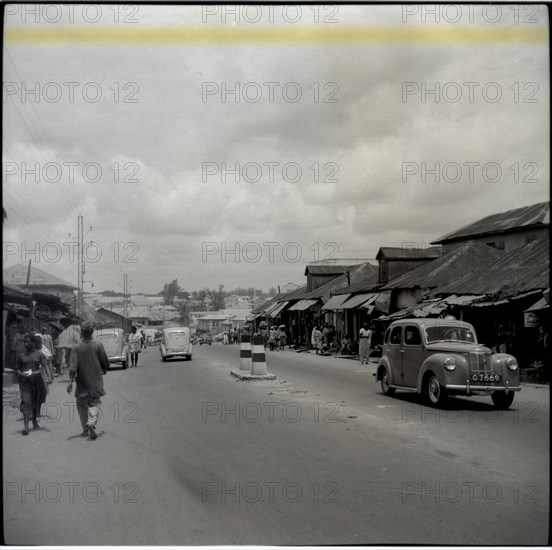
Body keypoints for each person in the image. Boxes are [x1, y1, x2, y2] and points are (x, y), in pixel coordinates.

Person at [67, 322, 109, 440]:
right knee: (95, 403)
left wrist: (70, 381)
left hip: (81, 383)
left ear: (81, 332)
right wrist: (104, 369)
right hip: (95, 381)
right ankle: (91, 423)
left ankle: (85, 429)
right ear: (92, 332)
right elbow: (104, 361)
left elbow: (72, 368)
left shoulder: (75, 347)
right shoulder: (98, 345)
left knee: (81, 405)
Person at [16, 333, 49, 435]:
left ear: (33, 343)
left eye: (28, 342)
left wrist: (49, 376)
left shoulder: (40, 354)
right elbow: (17, 369)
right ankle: (26, 427)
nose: (26, 344)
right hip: (25, 382)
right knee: (27, 402)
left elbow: (45, 366)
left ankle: (34, 420)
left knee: (35, 402)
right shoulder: (21, 356)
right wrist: (22, 374)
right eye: (24, 342)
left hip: (37, 381)